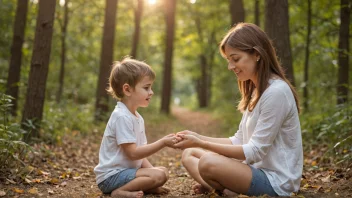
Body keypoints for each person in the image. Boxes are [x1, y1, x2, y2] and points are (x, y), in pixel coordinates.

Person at [174, 23, 303, 197]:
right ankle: (227, 189)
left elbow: (255, 151)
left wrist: (202, 143)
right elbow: (239, 140)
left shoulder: (276, 92)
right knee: (190, 154)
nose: (230, 66)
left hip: (276, 182)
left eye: (235, 59)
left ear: (256, 54)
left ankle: (225, 188)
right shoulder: (256, 91)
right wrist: (197, 138)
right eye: (229, 60)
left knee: (206, 162)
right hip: (252, 171)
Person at [94, 58, 178, 198]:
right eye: (146, 88)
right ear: (127, 89)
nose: (151, 92)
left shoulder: (137, 118)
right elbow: (133, 154)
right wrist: (162, 142)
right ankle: (119, 192)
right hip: (110, 178)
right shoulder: (121, 117)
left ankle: (148, 186)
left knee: (163, 172)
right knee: (158, 174)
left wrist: (156, 178)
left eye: (150, 87)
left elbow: (140, 157)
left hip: (125, 173)